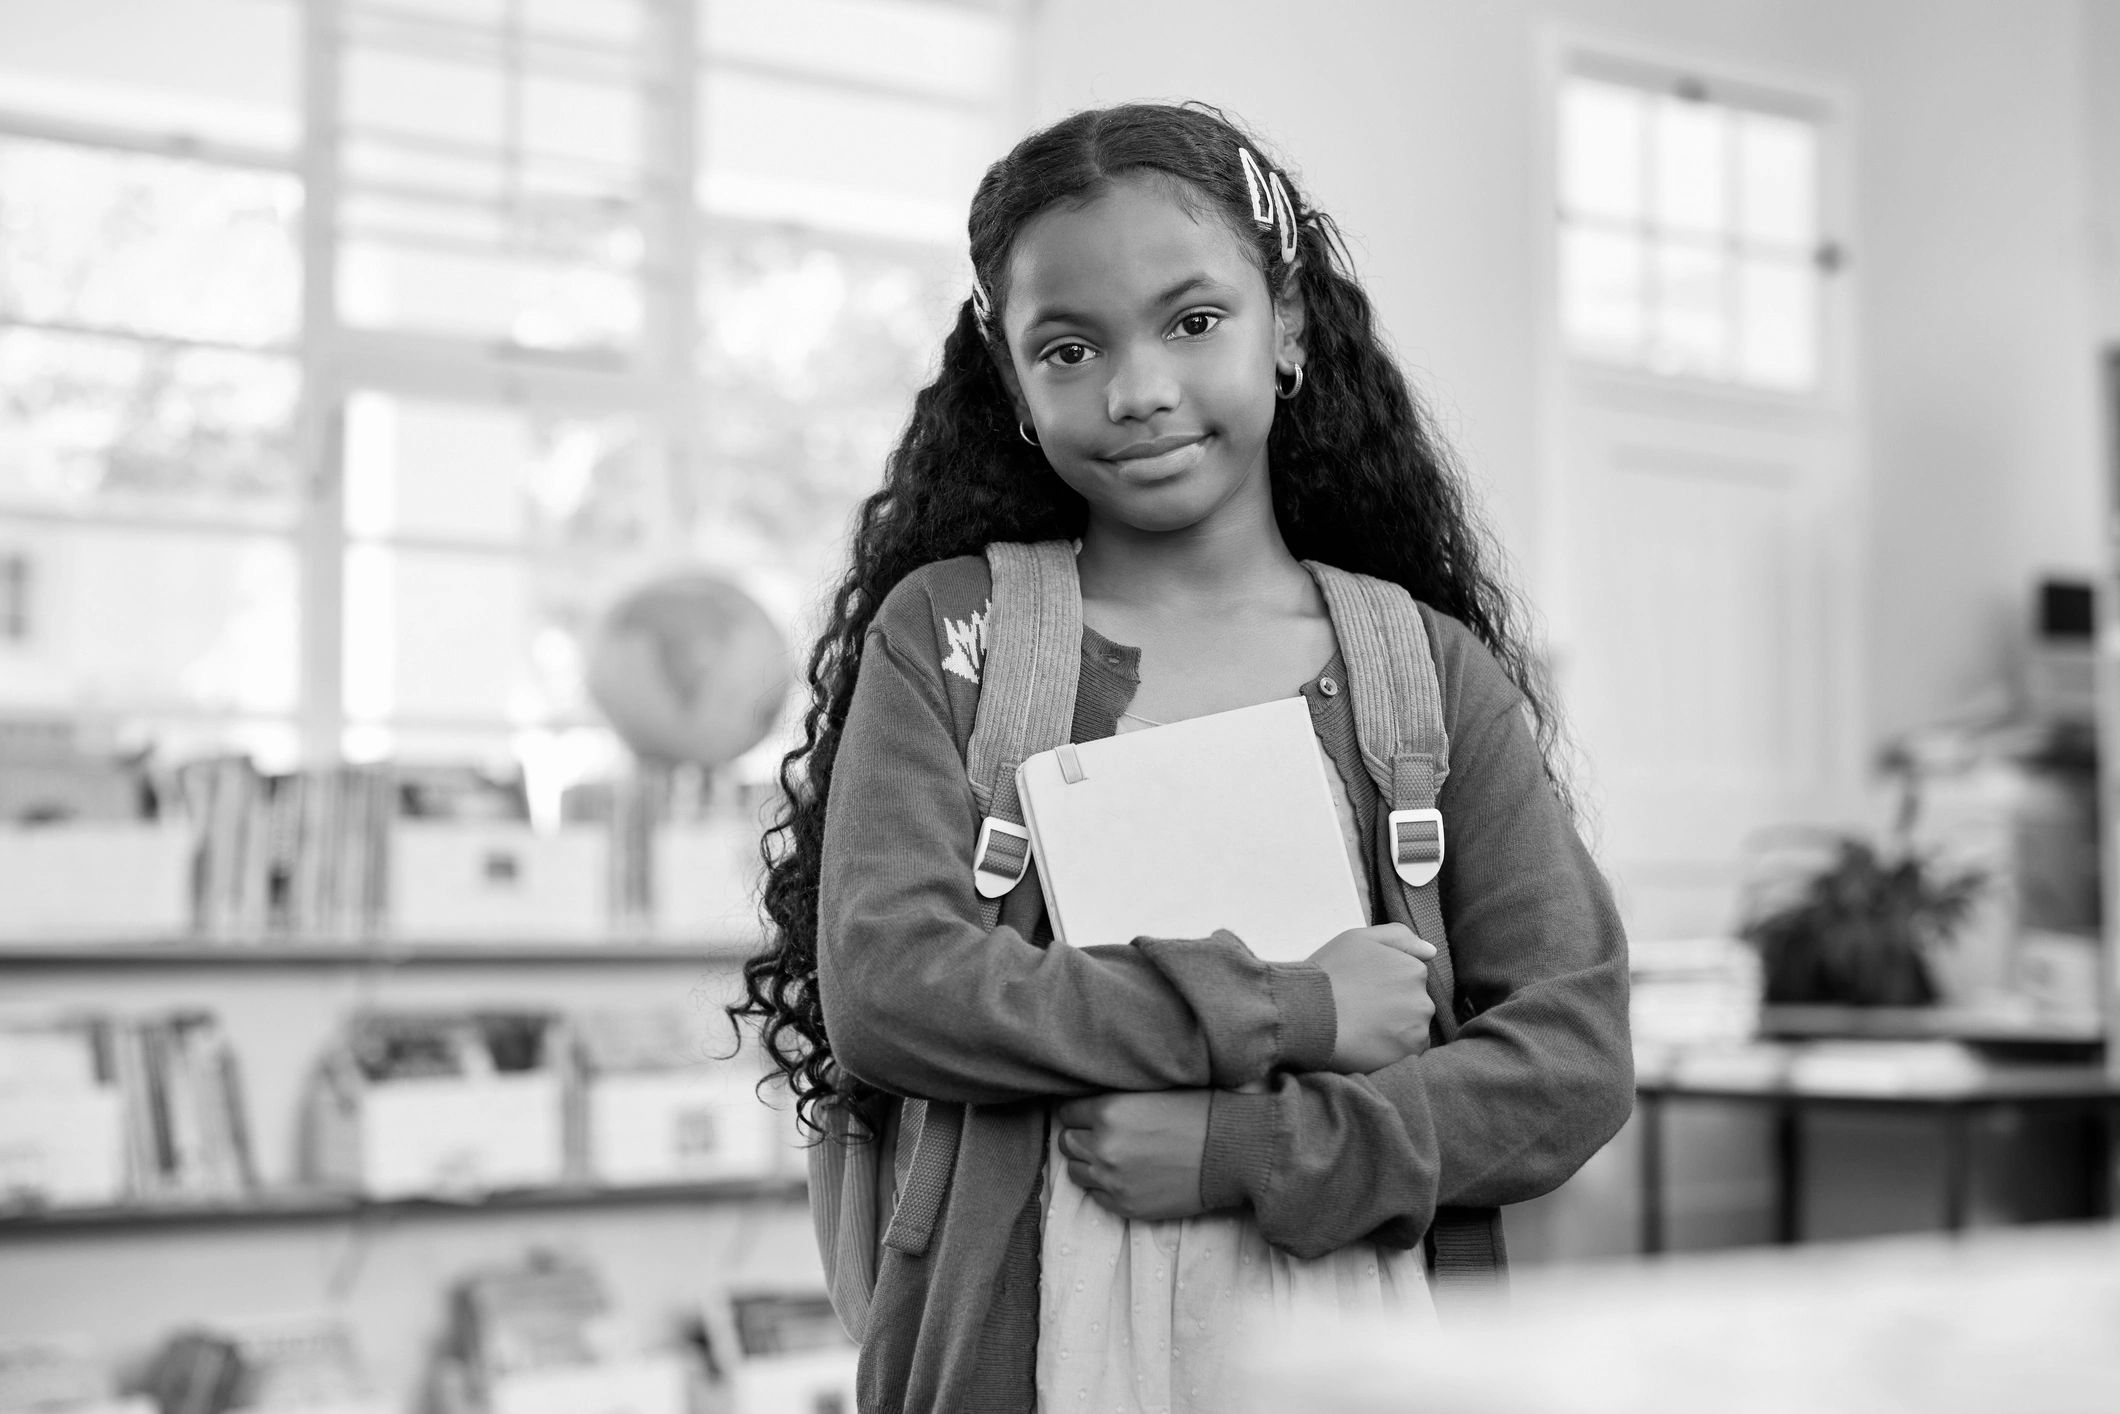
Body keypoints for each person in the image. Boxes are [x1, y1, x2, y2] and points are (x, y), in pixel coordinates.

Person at [729, 101, 1633, 1414]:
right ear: (1008, 373)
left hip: (1366, 1356)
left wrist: (1243, 1146)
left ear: (1292, 328)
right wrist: (1290, 1011)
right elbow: (890, 984)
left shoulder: (1423, 670)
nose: (1137, 387)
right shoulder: (956, 634)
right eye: (1071, 346)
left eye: (1192, 321)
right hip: (1007, 1356)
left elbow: (1569, 1060)